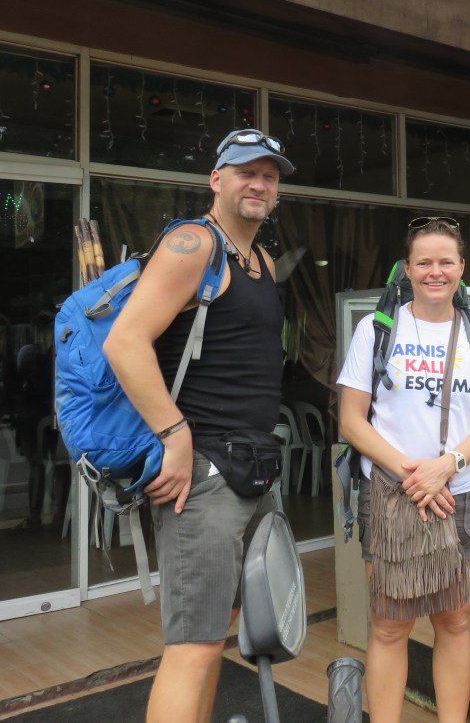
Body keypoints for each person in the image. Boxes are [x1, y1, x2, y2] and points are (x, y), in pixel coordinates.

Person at [103, 128, 294, 723]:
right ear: (217, 180)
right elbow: (124, 342)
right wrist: (174, 434)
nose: (259, 183)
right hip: (204, 472)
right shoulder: (192, 244)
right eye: (246, 172)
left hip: (251, 467)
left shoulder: (260, 261)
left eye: (269, 176)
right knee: (193, 646)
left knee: (217, 635)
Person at [337, 217, 470, 723]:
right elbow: (351, 420)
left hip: (462, 493)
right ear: (407, 268)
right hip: (389, 494)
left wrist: (446, 467)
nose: (435, 272)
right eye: (424, 262)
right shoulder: (376, 330)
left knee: (454, 622)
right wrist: (414, 475)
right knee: (389, 625)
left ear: (462, 267)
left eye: (445, 262)